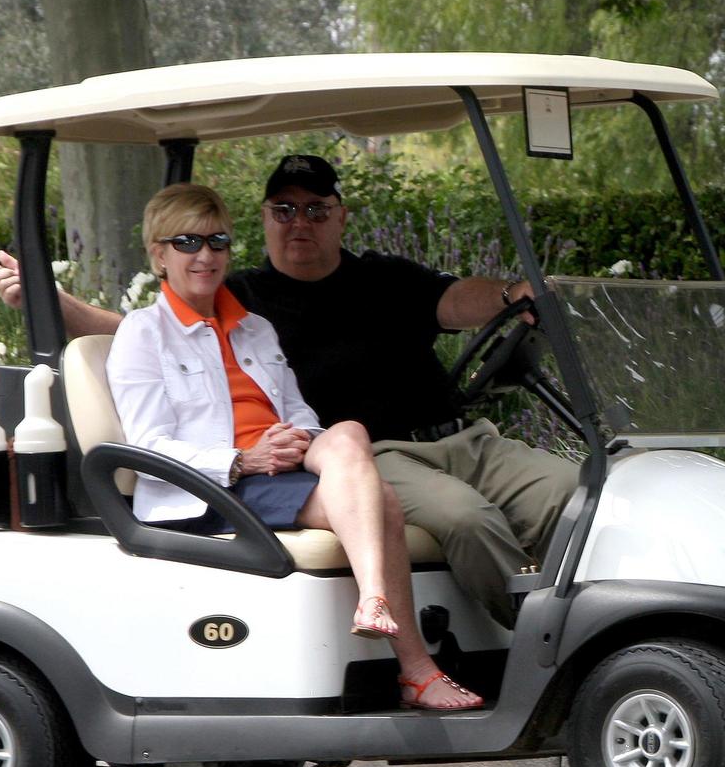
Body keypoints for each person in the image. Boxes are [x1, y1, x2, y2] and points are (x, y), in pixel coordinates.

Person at [0, 155, 576, 630]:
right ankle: (546, 646)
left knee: (575, 494)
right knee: (467, 520)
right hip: (378, 456)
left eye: (316, 209)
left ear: (340, 217)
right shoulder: (240, 297)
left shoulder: (384, 278)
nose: (301, 222)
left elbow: (456, 302)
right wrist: (45, 300)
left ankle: (618, 620)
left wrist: (509, 294)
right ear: (266, 218)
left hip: (465, 440)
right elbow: (146, 334)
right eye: (285, 208)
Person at [106, 183, 482, 711]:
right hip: (215, 489)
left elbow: (297, 410)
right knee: (385, 504)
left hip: (273, 470)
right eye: (188, 242)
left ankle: (377, 604)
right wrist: (243, 459)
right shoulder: (143, 335)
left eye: (217, 242)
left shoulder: (254, 328)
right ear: (159, 253)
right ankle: (415, 669)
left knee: (347, 431)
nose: (206, 255)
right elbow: (149, 447)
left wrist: (294, 438)